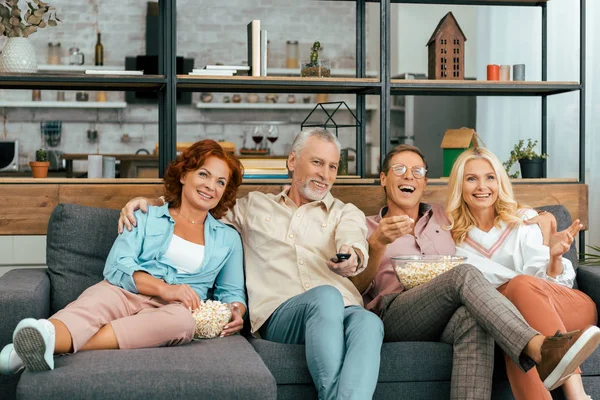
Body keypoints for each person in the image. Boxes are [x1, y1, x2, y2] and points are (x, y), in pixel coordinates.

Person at [115, 128, 384, 400]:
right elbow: (199, 207)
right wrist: (154, 204)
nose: (325, 174)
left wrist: (352, 256)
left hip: (342, 309)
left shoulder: (345, 212)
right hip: (281, 314)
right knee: (327, 295)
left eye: (332, 166)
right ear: (292, 161)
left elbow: (353, 240)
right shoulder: (252, 206)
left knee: (369, 323)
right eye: (317, 162)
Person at [352, 144, 599, 400]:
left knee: (479, 320)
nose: (408, 176)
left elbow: (493, 205)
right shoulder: (363, 225)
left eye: (417, 171)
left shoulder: (441, 217)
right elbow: (356, 284)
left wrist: (544, 216)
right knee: (466, 273)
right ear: (383, 178)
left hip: (446, 310)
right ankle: (539, 347)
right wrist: (377, 243)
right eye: (399, 169)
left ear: (425, 183)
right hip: (398, 311)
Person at [0, 139, 247, 375]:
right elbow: (117, 265)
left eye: (220, 182)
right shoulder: (145, 215)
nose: (210, 186)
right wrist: (164, 288)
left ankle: (42, 345)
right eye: (203, 174)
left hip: (175, 310)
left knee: (182, 323)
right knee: (96, 302)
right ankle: (46, 336)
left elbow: (232, 292)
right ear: (184, 176)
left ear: (224, 191)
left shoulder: (228, 239)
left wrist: (236, 312)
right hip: (125, 291)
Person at [445, 146, 599, 400]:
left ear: (499, 182)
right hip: (516, 324)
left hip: (566, 305)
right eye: (471, 178)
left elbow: (557, 282)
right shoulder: (451, 238)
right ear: (459, 186)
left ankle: (578, 395)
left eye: (490, 177)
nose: (482, 186)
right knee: (516, 342)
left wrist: (555, 257)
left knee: (519, 286)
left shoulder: (524, 220)